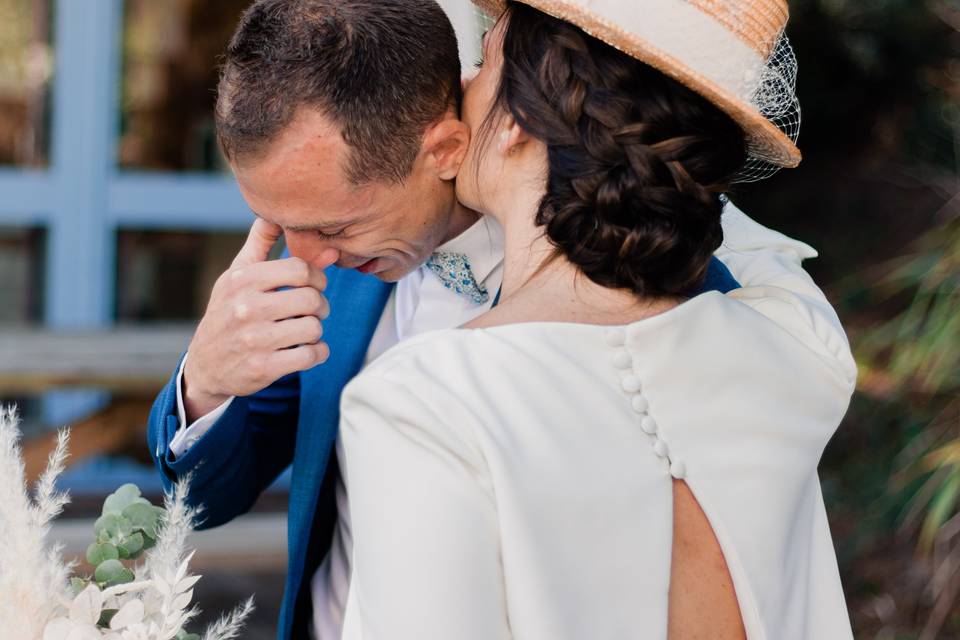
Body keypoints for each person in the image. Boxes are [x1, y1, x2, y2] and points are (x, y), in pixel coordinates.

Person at [146, 1, 826, 638]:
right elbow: (202, 504)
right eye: (281, 223)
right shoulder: (329, 276)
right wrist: (206, 382)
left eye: (333, 224)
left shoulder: (661, 272)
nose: (304, 256)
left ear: (444, 149)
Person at [333, 1, 857, 638]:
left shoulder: (423, 404)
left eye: (486, 60)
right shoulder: (800, 347)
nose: (465, 87)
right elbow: (744, 241)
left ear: (518, 123)